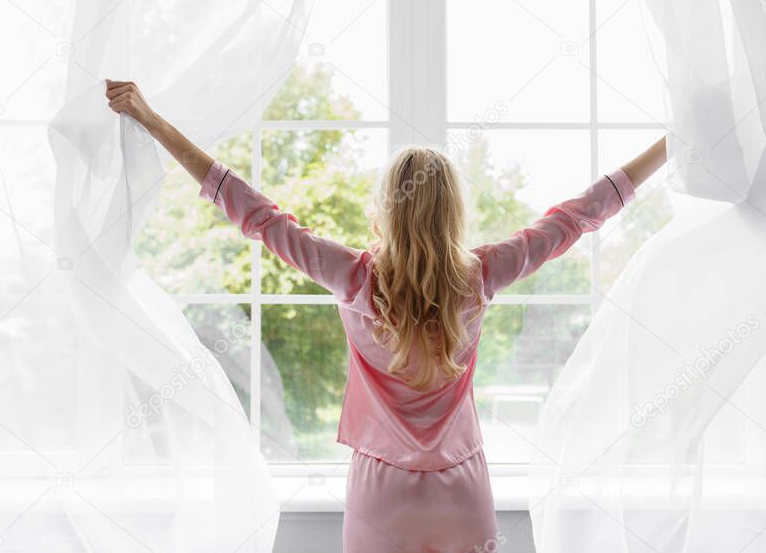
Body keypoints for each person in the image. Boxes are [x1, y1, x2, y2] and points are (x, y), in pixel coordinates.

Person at [104, 79, 668, 553]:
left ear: (386, 209)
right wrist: (670, 146)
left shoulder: (354, 276)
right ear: (454, 212)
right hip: (463, 487)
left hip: (381, 490)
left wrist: (151, 119)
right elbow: (579, 214)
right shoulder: (480, 274)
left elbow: (254, 212)